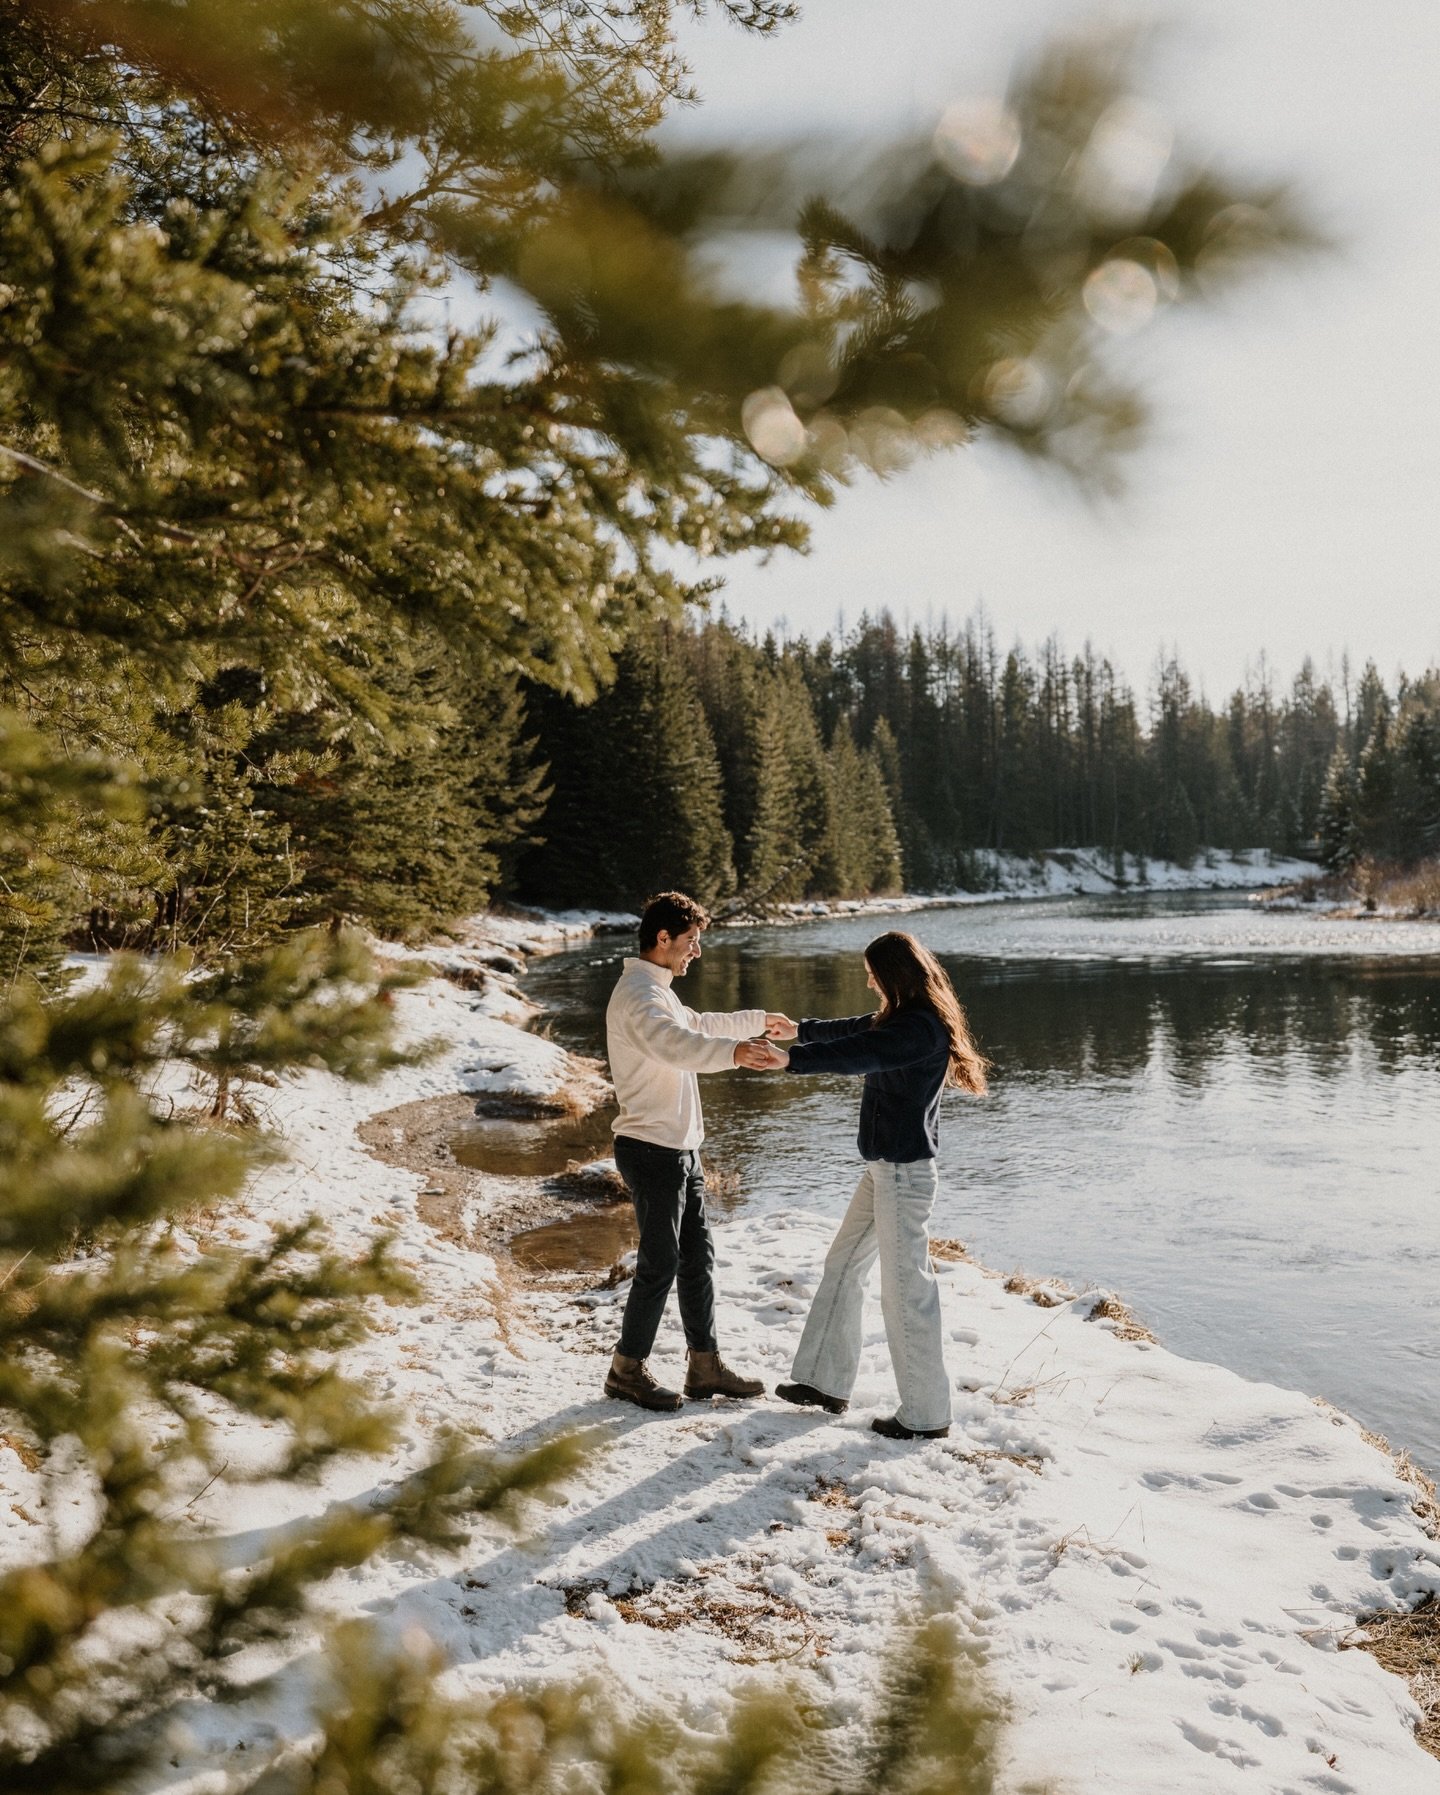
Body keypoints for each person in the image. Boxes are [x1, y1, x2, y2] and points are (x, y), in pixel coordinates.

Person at [742, 931, 988, 1441]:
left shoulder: (918, 1028)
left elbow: (865, 1053)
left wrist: (792, 1060)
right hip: (884, 1169)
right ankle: (822, 1382)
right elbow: (860, 1031)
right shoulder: (902, 1016)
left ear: (894, 972)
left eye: (873, 971)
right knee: (844, 1264)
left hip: (903, 1174)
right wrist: (800, 1031)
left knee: (905, 1293)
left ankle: (925, 1415)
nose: (867, 979)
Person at [603, 890, 784, 1412]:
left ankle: (704, 1367)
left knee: (696, 1258)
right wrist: (735, 1054)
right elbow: (675, 1045)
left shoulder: (657, 989)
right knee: (660, 1261)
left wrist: (756, 1021)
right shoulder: (638, 996)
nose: (696, 953)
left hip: (680, 1149)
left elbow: (696, 1026)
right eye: (691, 942)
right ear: (663, 939)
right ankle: (625, 1370)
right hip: (650, 1148)